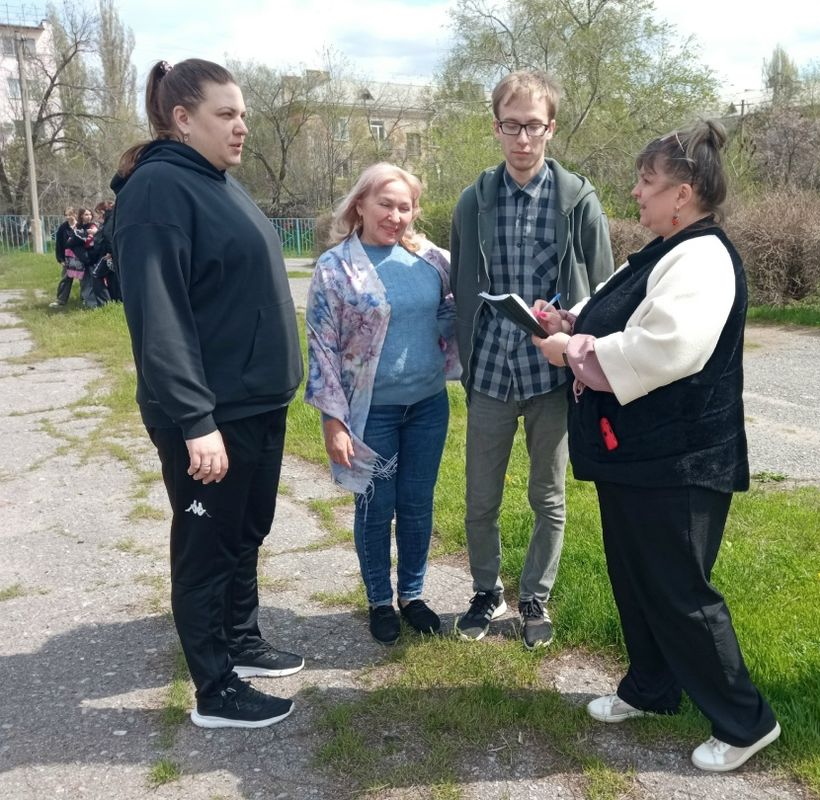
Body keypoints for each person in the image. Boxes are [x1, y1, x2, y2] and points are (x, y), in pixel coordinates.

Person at [532, 120, 781, 772]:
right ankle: (650, 688)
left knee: (678, 592)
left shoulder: (703, 258)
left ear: (684, 192)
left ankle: (746, 722)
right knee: (636, 579)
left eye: (647, 182)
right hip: (640, 456)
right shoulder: (665, 249)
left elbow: (667, 347)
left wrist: (573, 350)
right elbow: (621, 319)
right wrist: (570, 323)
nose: (636, 193)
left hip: (680, 460)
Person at [111, 58, 305, 729]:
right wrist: (196, 420)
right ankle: (214, 690)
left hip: (255, 401)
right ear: (182, 118)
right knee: (205, 547)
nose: (241, 126)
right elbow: (159, 317)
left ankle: (240, 641)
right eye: (226, 114)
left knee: (245, 532)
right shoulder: (157, 191)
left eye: (242, 113)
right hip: (211, 413)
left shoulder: (216, 180)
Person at [449, 70, 613, 649]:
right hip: (491, 371)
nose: (523, 139)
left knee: (548, 495)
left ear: (551, 128)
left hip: (553, 374)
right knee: (480, 498)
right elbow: (461, 282)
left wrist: (573, 327)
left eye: (534, 126)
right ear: (496, 127)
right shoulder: (474, 201)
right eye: (512, 125)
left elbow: (604, 291)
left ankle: (535, 596)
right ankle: (486, 592)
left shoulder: (578, 202)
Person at [305, 163, 458, 646]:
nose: (395, 216)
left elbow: (453, 311)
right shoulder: (336, 267)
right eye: (385, 204)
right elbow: (323, 346)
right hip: (372, 413)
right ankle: (379, 600)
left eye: (404, 207)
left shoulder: (431, 259)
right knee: (376, 506)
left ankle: (412, 595)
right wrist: (333, 421)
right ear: (360, 205)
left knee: (416, 504)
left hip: (428, 406)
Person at [49, 208, 76, 308]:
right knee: (66, 278)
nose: (68, 217)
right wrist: (60, 259)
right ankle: (61, 300)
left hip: (80, 257)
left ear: (74, 214)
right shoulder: (63, 228)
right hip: (68, 257)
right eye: (66, 215)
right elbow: (59, 244)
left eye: (69, 215)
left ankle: (85, 299)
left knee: (84, 280)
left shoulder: (79, 226)